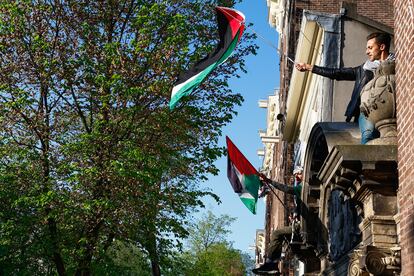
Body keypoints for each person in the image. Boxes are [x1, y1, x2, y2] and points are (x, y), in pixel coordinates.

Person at [295, 32, 395, 144]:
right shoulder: (363, 69)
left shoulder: (397, 63)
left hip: (392, 107)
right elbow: (337, 73)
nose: (367, 52)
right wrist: (310, 67)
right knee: (368, 136)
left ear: (382, 47)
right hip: (368, 110)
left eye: (370, 48)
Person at [252, 167, 303, 275]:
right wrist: (295, 216)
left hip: (303, 226)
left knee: (277, 233)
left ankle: (271, 264)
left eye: (298, 174)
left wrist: (269, 181)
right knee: (283, 237)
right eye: (295, 175)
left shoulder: (302, 187)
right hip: (302, 223)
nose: (296, 177)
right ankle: (273, 264)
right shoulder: (303, 189)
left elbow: (286, 189)